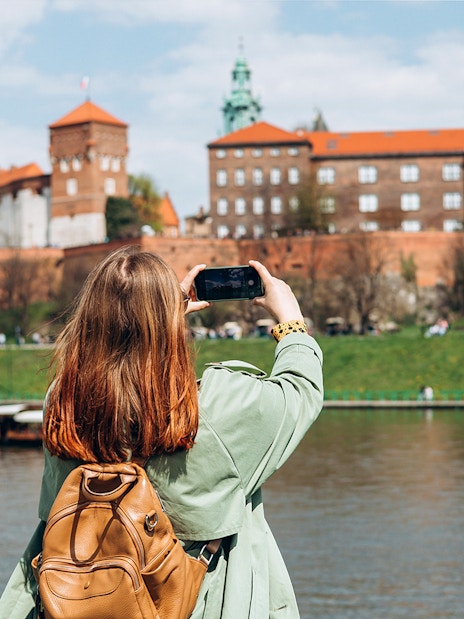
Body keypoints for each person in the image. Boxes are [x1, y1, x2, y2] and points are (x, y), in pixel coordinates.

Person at [0, 246, 324, 618]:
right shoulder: (219, 410)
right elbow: (300, 389)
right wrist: (290, 319)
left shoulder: (63, 405)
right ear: (169, 323)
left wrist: (155, 318)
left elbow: (118, 375)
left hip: (73, 601)